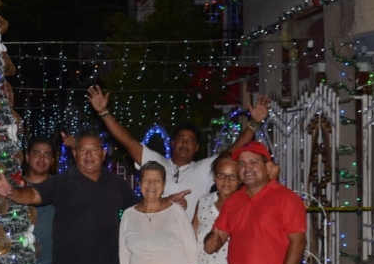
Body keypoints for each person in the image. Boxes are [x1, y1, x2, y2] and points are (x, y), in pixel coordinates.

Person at [0, 129, 139, 264]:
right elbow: (32, 195)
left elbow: (140, 210)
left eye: (94, 150)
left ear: (103, 154)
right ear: (74, 153)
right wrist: (11, 192)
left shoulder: (116, 183)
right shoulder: (61, 182)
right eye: (83, 150)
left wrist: (166, 202)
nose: (89, 156)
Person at [85, 85, 269, 219]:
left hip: (191, 245)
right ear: (172, 143)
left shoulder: (204, 169)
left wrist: (254, 123)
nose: (185, 144)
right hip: (157, 238)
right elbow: (128, 141)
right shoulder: (157, 163)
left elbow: (233, 149)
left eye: (191, 141)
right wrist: (103, 112)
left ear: (197, 148)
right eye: (181, 139)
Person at [24, 137, 56, 264]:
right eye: (36, 154)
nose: (41, 159)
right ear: (27, 157)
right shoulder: (15, 187)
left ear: (52, 161)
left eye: (47, 155)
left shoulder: (59, 186)